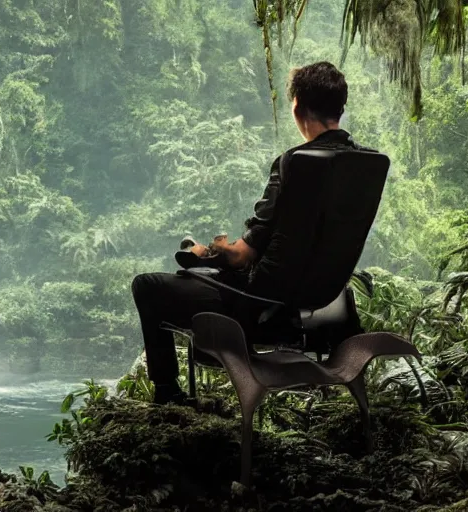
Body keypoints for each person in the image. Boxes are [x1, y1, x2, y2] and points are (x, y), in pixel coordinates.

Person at [131, 61, 369, 404]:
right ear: (340, 109)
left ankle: (168, 395)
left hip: (259, 307)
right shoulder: (365, 165)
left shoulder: (296, 163)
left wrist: (214, 250)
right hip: (321, 309)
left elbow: (242, 256)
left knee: (148, 286)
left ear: (297, 106)